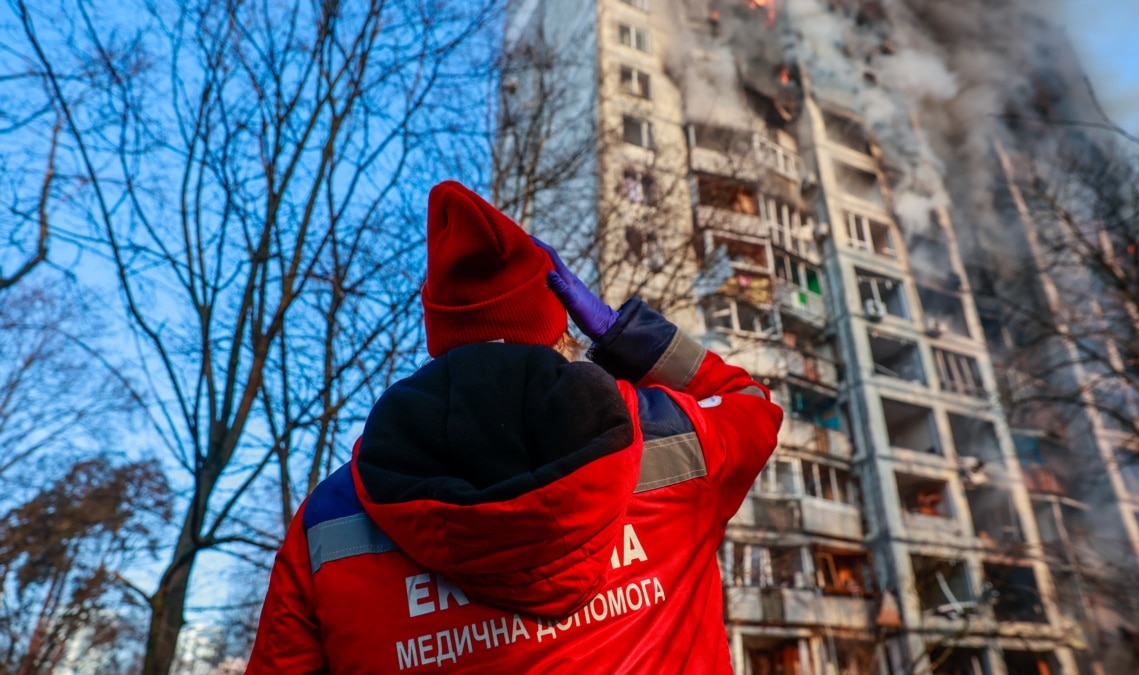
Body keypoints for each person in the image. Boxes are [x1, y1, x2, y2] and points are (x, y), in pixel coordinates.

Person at [246, 180, 782, 673]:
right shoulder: (675, 436)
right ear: (559, 329)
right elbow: (749, 401)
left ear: (441, 339)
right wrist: (625, 334)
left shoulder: (328, 522)